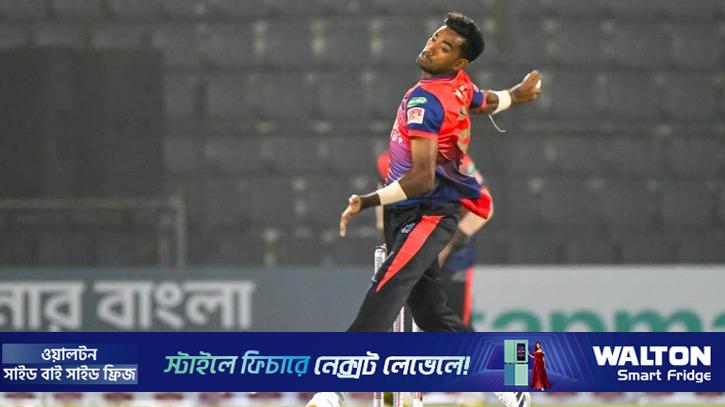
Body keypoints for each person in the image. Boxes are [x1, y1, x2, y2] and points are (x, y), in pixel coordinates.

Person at [308, 11, 541, 407]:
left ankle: (334, 388)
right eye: (435, 37)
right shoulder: (457, 84)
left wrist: (366, 201)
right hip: (410, 213)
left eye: (444, 47)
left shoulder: (425, 100)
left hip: (427, 212)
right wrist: (516, 95)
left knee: (387, 285)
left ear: (458, 62)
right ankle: (509, 379)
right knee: (432, 316)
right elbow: (483, 101)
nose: (432, 46)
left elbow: (421, 179)